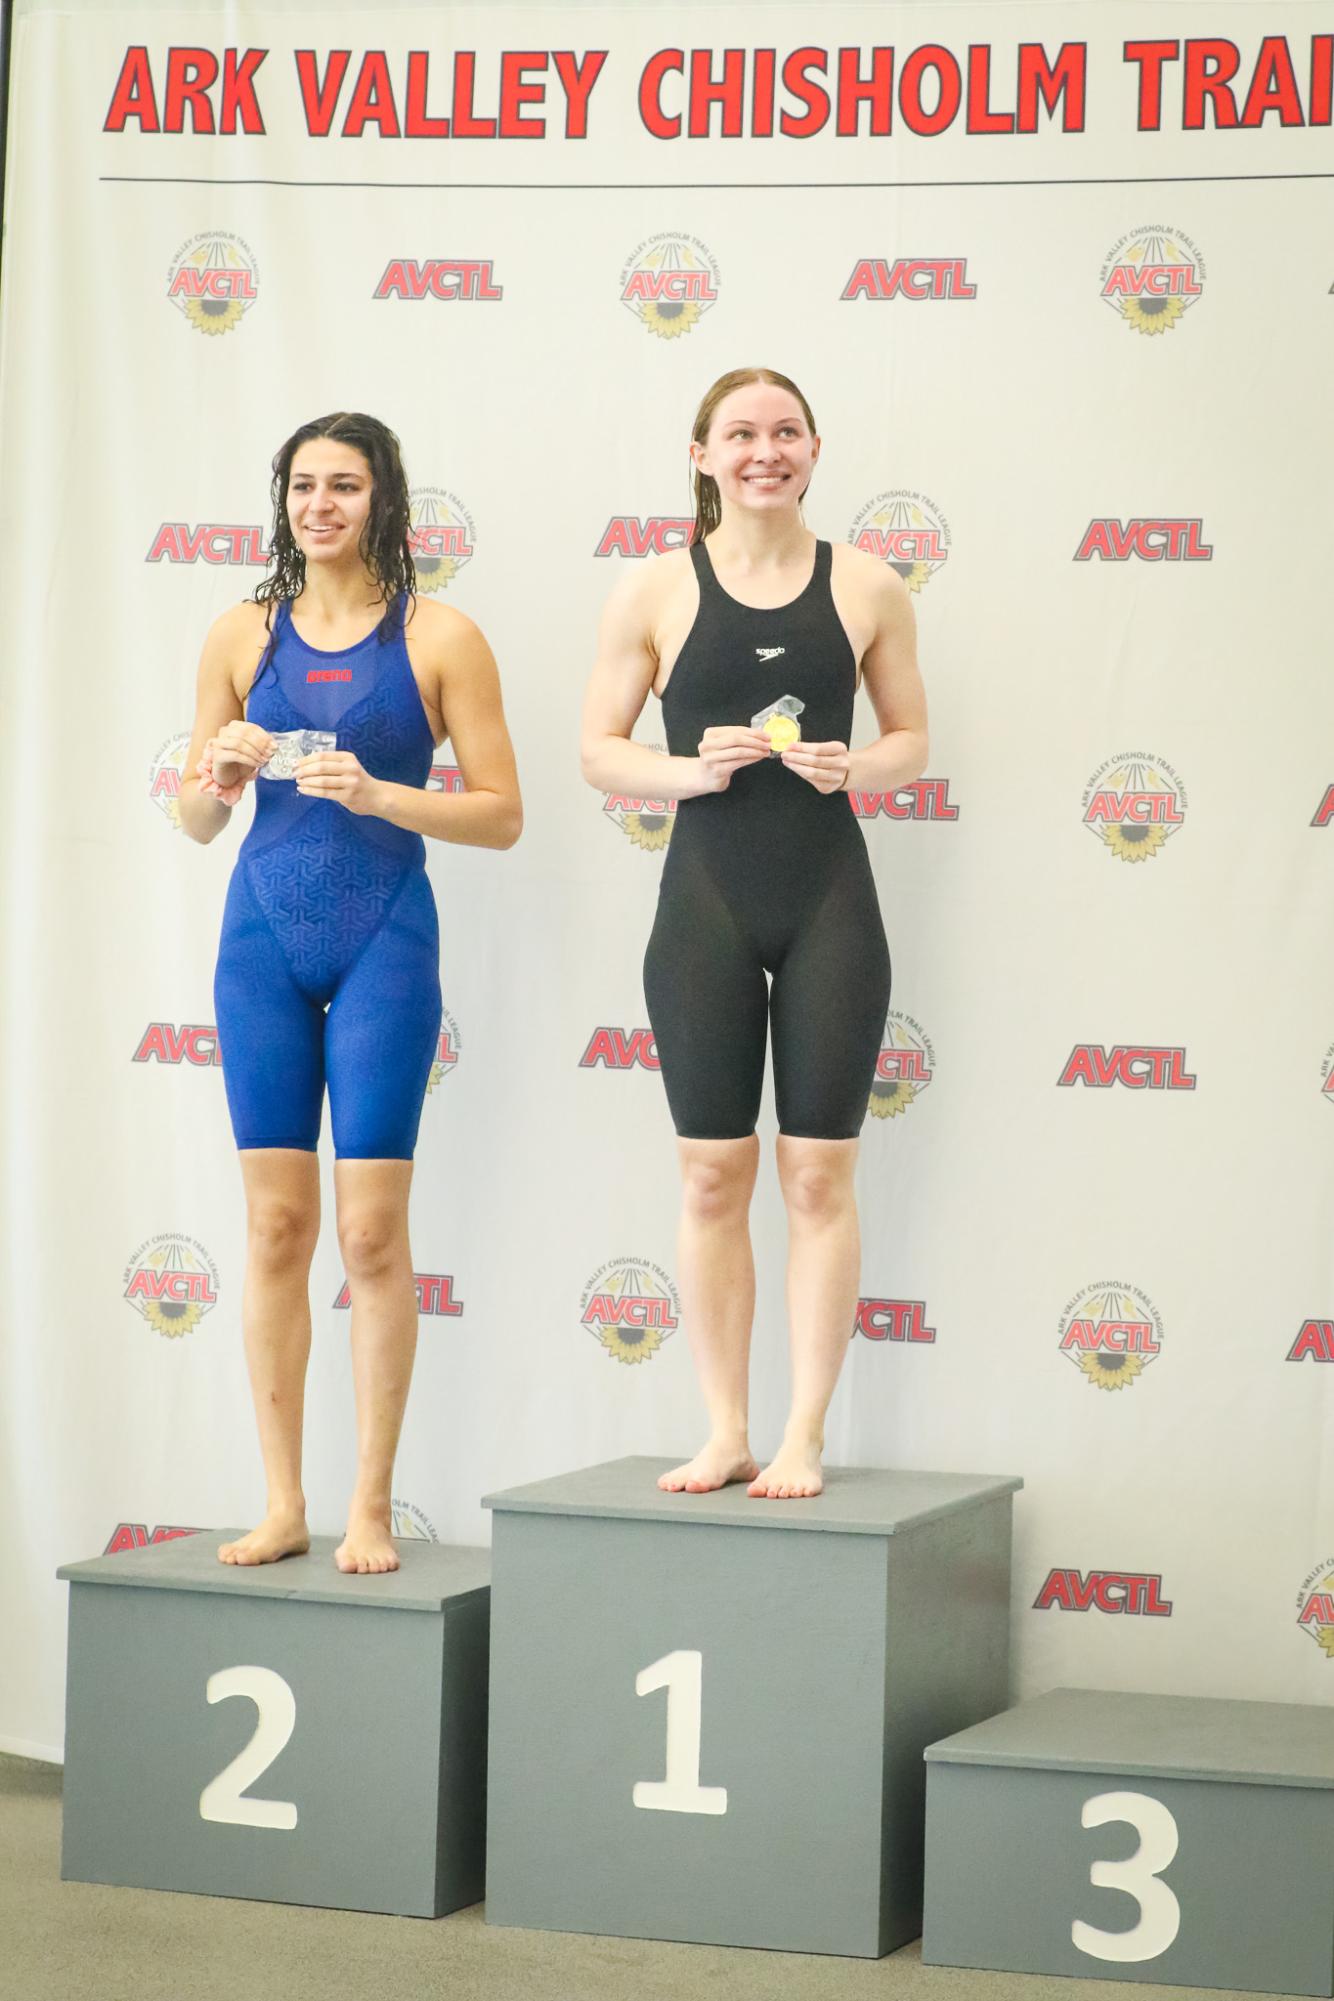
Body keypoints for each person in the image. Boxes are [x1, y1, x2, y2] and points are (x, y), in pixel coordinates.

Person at [179, 412, 521, 1571]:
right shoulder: (238, 632)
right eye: (303, 486)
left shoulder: (442, 637)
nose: (321, 505)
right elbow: (195, 817)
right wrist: (218, 777)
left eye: (346, 486)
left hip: (384, 937)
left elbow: (502, 814)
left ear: (385, 501)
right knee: (276, 1225)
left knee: (371, 1236)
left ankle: (369, 1505)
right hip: (260, 942)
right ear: (282, 502)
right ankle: (283, 1502)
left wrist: (380, 795)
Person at [581, 368, 926, 1499]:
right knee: (709, 1176)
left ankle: (803, 1432)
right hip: (704, 908)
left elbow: (909, 737)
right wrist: (687, 769)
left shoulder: (867, 584)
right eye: (740, 433)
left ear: (814, 450)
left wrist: (854, 763)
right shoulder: (653, 590)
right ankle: (724, 1428)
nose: (762, 450)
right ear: (701, 455)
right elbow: (598, 749)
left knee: (818, 1177)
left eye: (783, 432)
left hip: (828, 898)